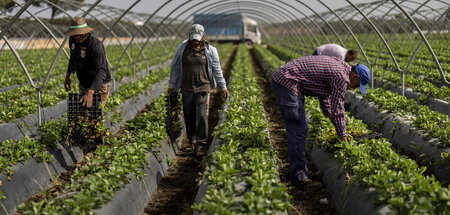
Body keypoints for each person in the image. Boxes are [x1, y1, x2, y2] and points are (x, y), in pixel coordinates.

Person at [271, 55, 370, 183]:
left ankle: (302, 170)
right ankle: (300, 177)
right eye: (357, 85)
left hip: (286, 80)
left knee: (299, 129)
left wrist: (329, 115)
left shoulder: (341, 67)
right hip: (287, 82)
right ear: (355, 77)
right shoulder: (342, 77)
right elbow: (338, 109)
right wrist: (343, 136)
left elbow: (324, 94)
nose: (354, 88)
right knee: (298, 131)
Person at [168, 24, 229, 156]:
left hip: (203, 87)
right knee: (189, 114)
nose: (195, 41)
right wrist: (172, 85)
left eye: (197, 39)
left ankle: (200, 144)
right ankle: (192, 140)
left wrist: (222, 86)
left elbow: (217, 69)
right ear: (189, 36)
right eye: (193, 38)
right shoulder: (182, 48)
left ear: (202, 37)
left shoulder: (210, 50)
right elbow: (175, 68)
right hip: (186, 87)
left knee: (202, 115)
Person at [64, 16, 111, 109]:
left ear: (86, 31)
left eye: (80, 34)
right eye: (75, 34)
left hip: (99, 83)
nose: (78, 37)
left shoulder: (95, 45)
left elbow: (101, 70)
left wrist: (91, 92)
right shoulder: (72, 41)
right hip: (84, 82)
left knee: (96, 111)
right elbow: (73, 57)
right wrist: (68, 76)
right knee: (83, 111)